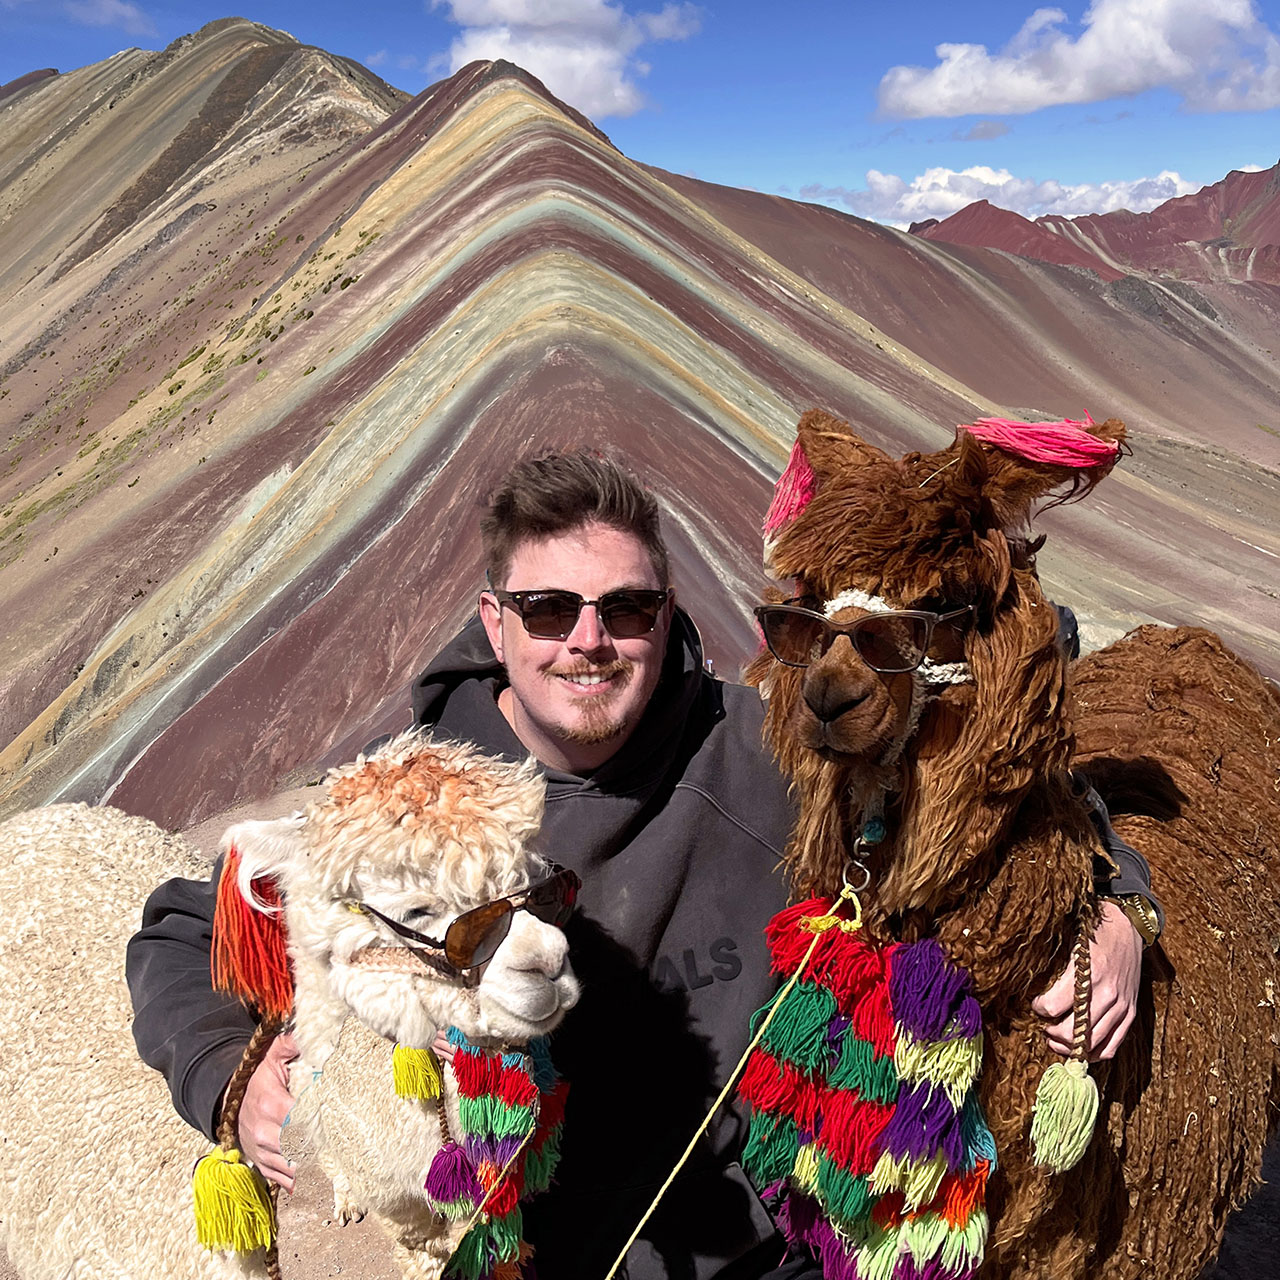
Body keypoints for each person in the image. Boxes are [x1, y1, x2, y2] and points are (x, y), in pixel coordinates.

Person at [127, 450, 1159, 1279]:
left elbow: (999, 793)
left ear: (667, 615)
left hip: (783, 1242)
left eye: (624, 609)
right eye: (547, 611)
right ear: (495, 622)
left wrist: (1116, 909)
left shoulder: (770, 749)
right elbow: (181, 923)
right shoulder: (426, 808)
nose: (589, 641)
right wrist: (235, 1075)